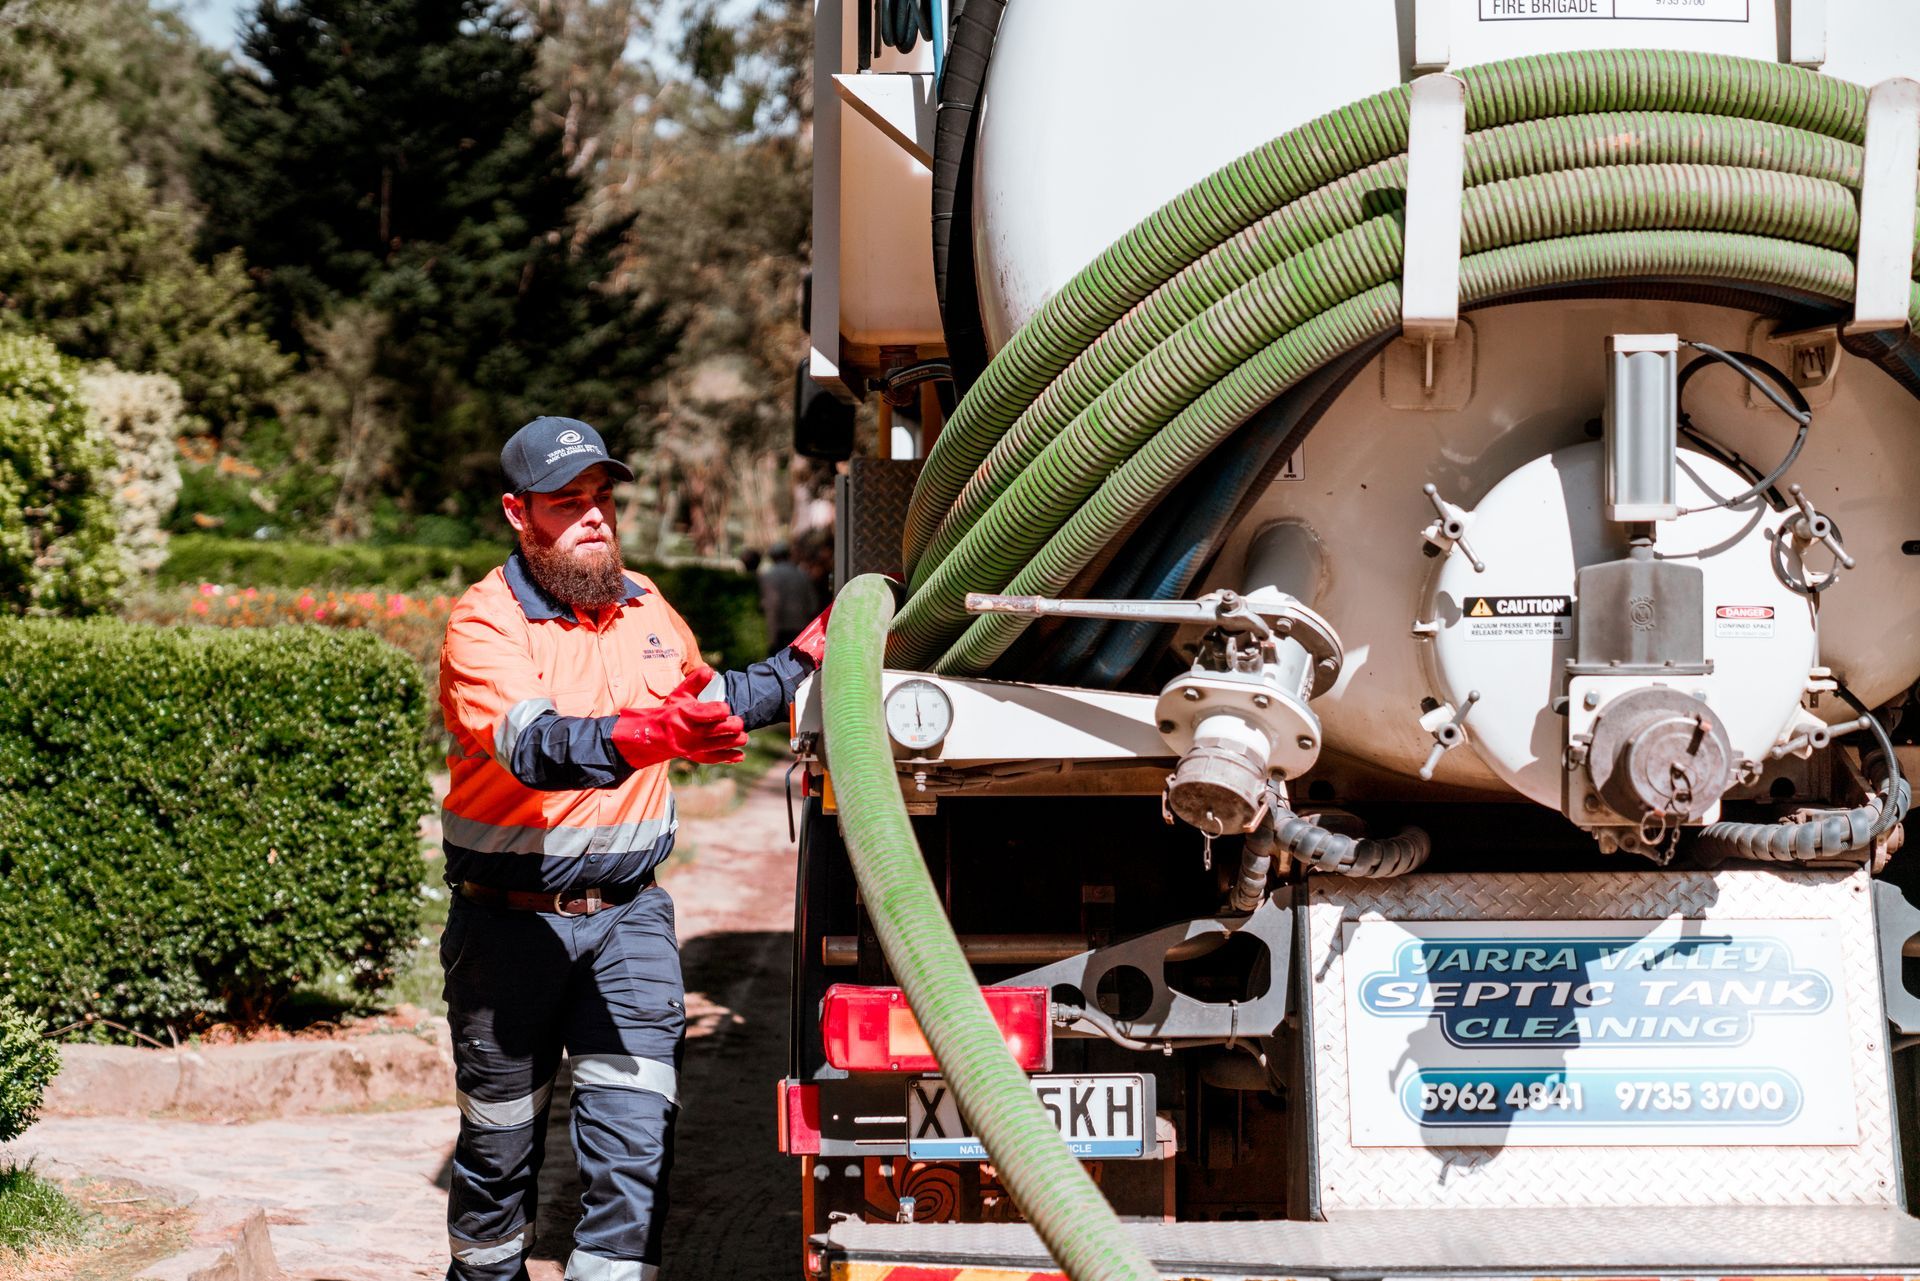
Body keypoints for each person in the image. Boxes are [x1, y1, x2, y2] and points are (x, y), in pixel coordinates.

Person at [436, 416, 827, 1281]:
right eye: (567, 501)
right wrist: (658, 733)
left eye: (603, 498)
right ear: (517, 512)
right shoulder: (485, 623)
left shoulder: (646, 603)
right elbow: (537, 747)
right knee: (499, 1159)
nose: (593, 517)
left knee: (634, 1155)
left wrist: (804, 661)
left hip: (630, 923)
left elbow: (711, 696)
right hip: (508, 934)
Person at [758, 541, 819, 652]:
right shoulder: (802, 574)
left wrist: (771, 638)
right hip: (802, 629)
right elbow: (813, 604)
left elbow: (771, 607)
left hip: (781, 631)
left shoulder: (770, 576)